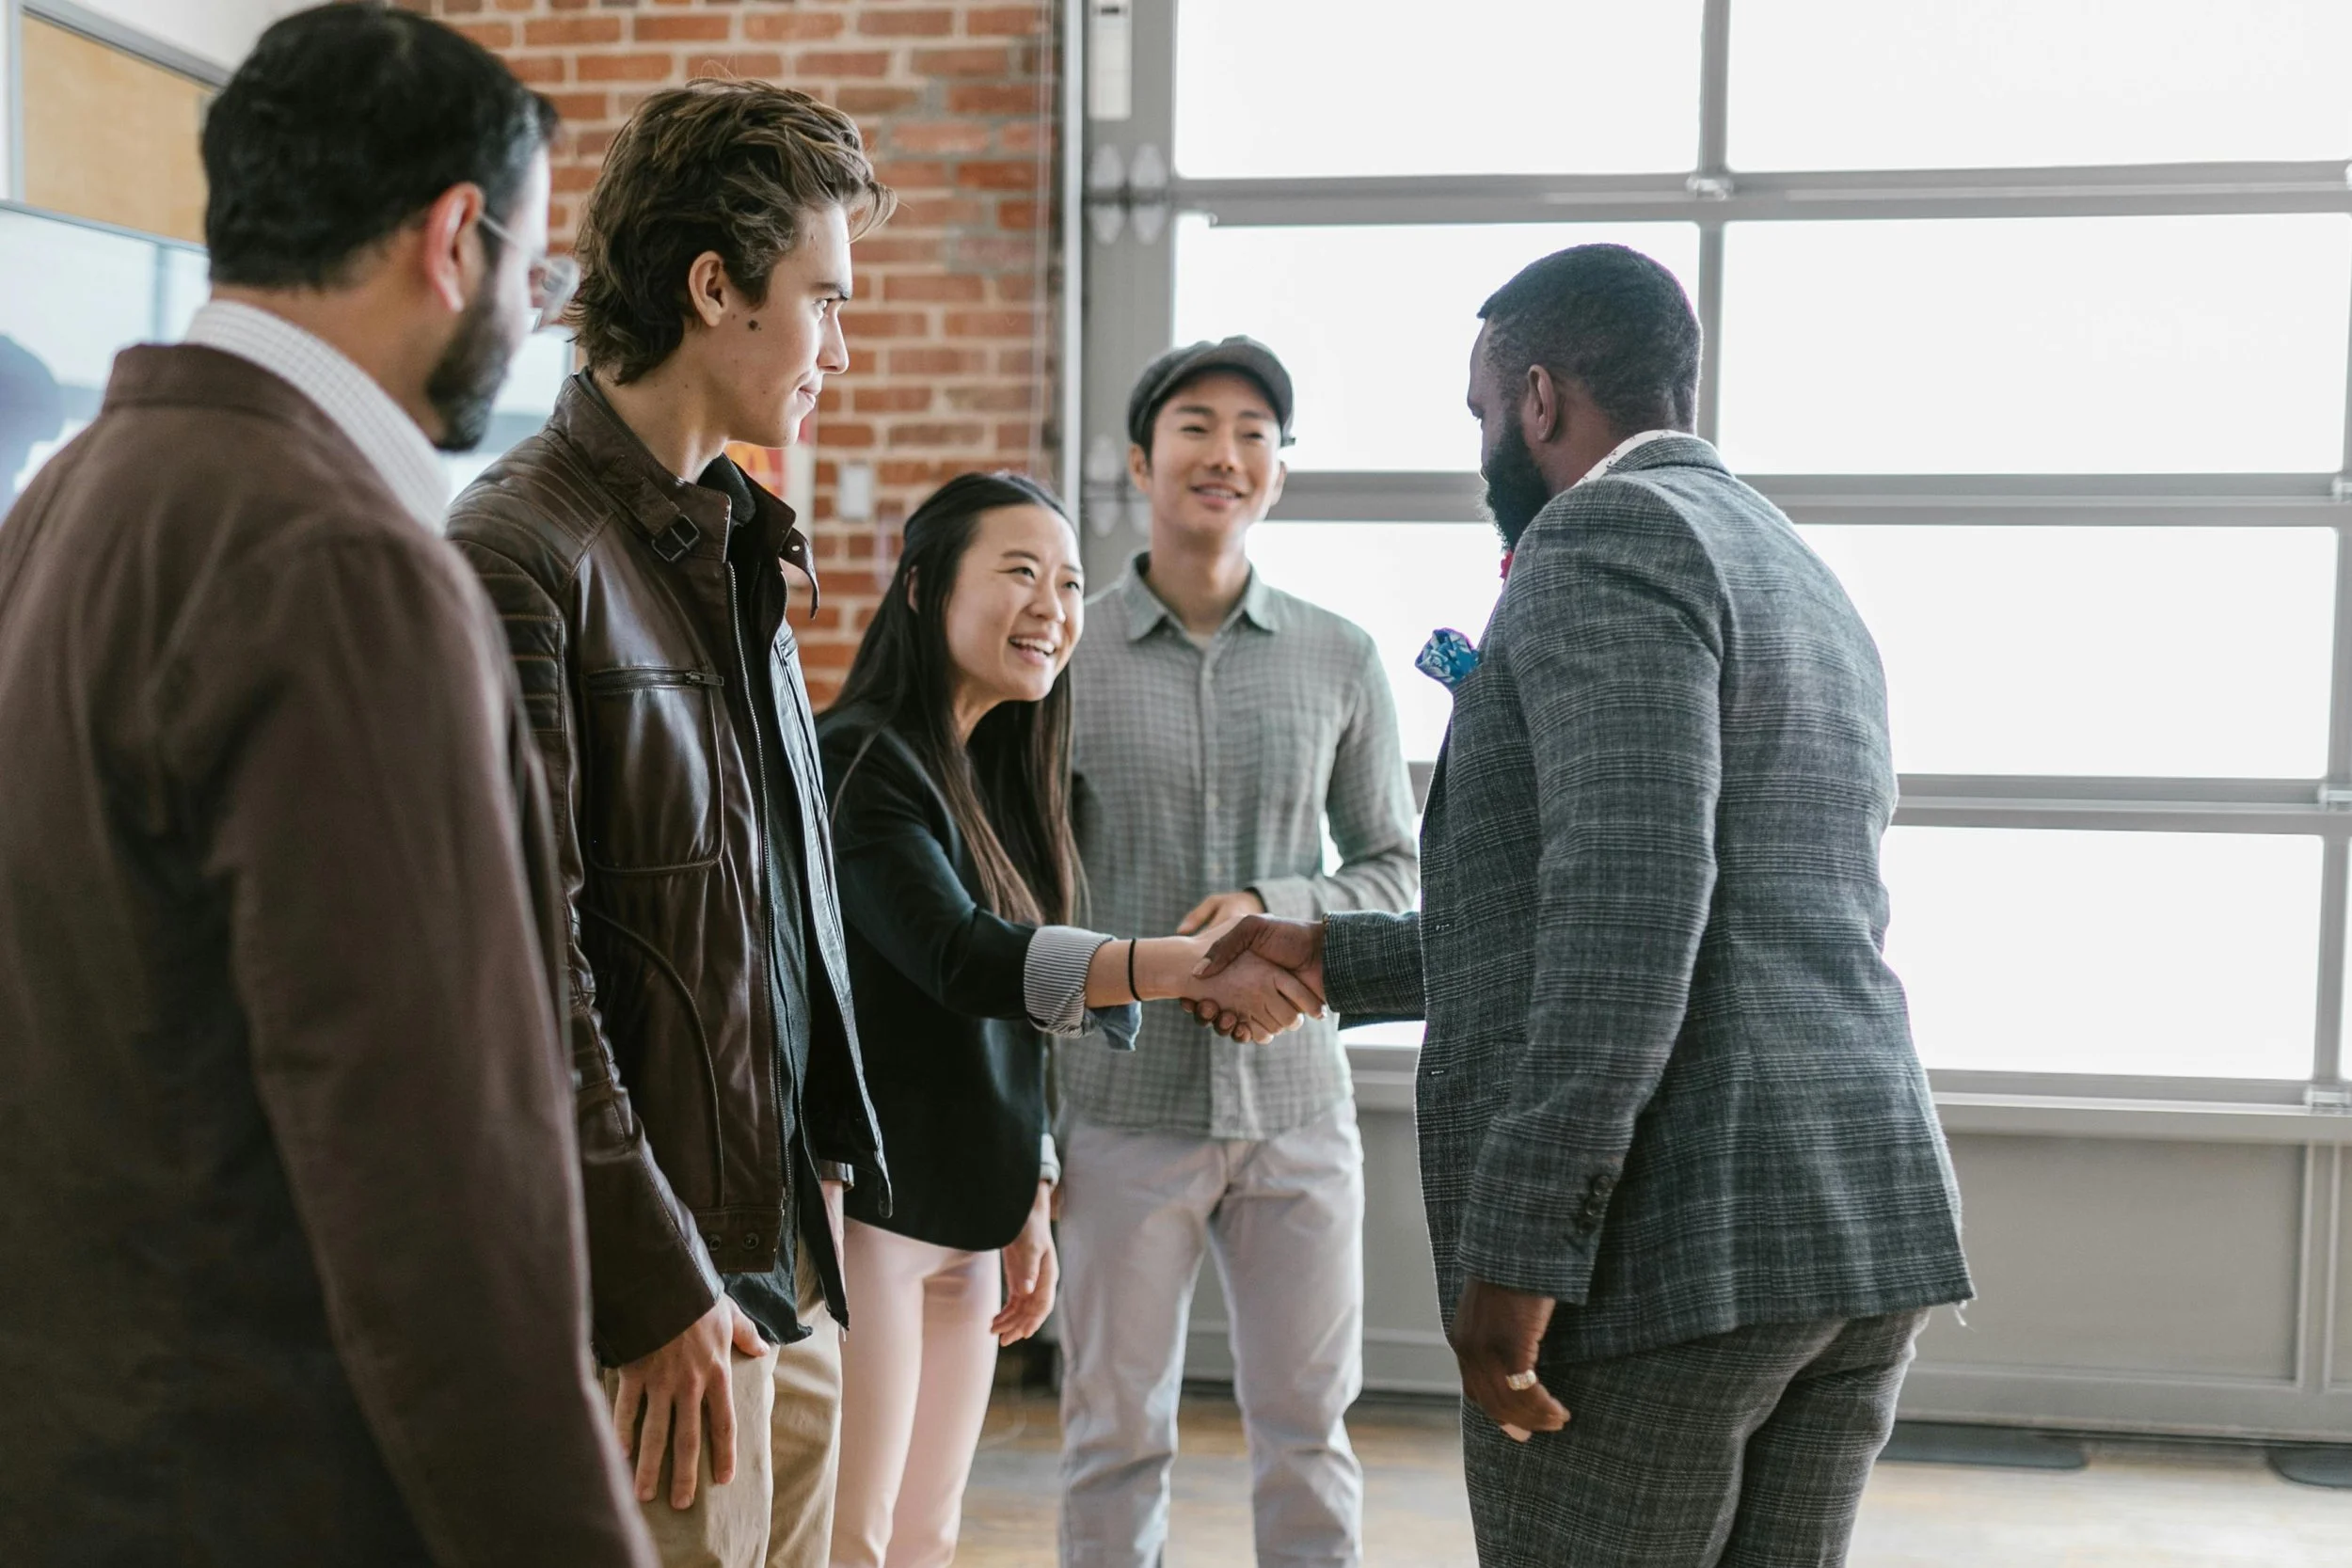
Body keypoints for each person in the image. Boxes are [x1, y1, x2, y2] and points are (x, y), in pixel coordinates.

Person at [1198, 244, 1974, 1567]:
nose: (1484, 444)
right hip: (1855, 1222)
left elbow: (1632, 909)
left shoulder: (1600, 540)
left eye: (1482, 410)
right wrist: (1334, 959)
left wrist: (1521, 1252)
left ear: (1542, 398)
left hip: (1675, 1246)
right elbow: (1669, 901)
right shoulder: (1789, 562)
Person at [0, 8, 649, 1565]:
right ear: (453, 239)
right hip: (264, 1486)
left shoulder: (74, 499)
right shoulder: (344, 562)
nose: (528, 312)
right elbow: (441, 1186)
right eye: (536, 273)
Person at [446, 80, 901, 1568]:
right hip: (653, 1306)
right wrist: (650, 1285)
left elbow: (776, 905)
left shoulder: (737, 537)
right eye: (822, 300)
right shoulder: (520, 549)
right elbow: (525, 965)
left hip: (781, 1275)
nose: (840, 343)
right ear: (715, 287)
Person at [818, 471, 1317, 1568]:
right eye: (1019, 573)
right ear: (920, 588)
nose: (1052, 603)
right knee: (847, 1540)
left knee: (924, 1534)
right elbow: (961, 959)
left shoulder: (997, 772)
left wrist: (1032, 1181)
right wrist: (1185, 966)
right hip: (870, 1220)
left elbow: (1016, 1015)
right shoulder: (860, 758)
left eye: (1072, 581)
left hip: (971, 1206)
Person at [1056, 338, 1419, 1568]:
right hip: (1119, 1103)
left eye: (1256, 430)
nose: (1227, 452)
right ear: (1139, 459)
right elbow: (1029, 879)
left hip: (1297, 1109)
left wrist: (1275, 898)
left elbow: (1397, 863)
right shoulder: (1068, 656)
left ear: (1280, 468)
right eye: (1198, 425)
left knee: (1310, 1428)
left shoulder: (1342, 654)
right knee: (1112, 1428)